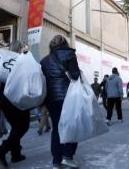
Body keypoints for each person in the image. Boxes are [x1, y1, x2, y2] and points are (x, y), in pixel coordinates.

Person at [40, 35, 80, 169]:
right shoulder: (69, 54)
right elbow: (75, 76)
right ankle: (68, 156)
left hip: (51, 99)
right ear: (65, 43)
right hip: (68, 97)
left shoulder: (44, 61)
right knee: (72, 126)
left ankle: (56, 160)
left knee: (56, 128)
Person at [0, 41, 30, 168]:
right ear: (21, 49)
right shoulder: (22, 60)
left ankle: (16, 154)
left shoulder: (4, 60)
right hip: (16, 97)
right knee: (23, 126)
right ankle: (1, 150)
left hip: (3, 97)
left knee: (15, 126)